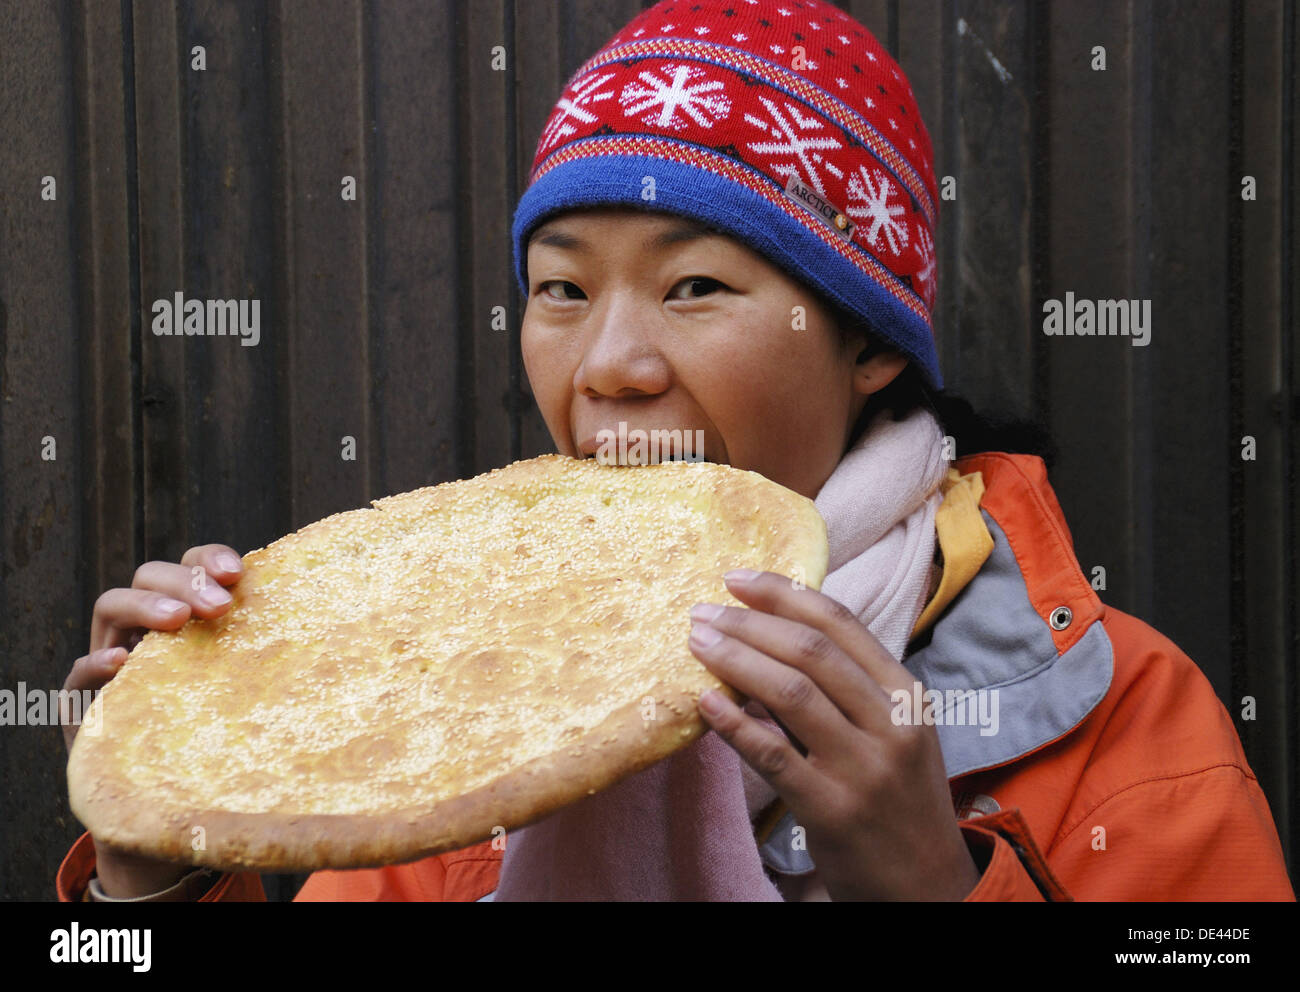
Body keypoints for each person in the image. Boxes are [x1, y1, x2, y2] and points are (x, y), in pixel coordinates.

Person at [58, 0, 1293, 901]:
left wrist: (935, 886)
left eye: (694, 286)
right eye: (559, 290)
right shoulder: (451, 704)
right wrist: (144, 877)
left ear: (866, 344)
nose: (608, 364)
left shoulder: (1116, 709)